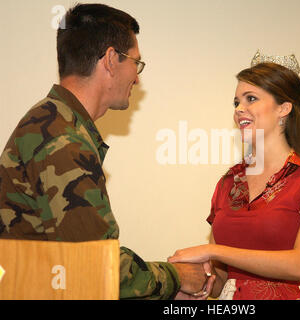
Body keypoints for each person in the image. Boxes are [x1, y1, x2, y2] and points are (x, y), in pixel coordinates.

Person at [0, 3, 214, 300]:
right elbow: (95, 268)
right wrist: (176, 277)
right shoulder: (63, 140)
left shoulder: (52, 122)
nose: (137, 78)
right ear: (112, 59)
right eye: (136, 64)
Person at [168, 51, 300, 300]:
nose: (240, 109)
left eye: (251, 99)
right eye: (236, 102)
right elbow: (222, 282)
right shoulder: (229, 182)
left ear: (284, 108)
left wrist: (212, 251)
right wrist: (189, 282)